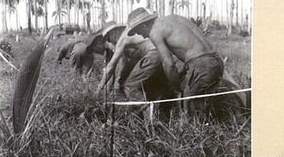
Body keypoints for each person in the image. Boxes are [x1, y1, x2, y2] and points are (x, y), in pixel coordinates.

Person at [99, 7, 245, 119]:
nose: (140, 35)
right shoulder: (174, 18)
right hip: (214, 61)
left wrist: (177, 88)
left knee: (188, 105)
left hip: (201, 66)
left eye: (138, 30)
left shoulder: (155, 32)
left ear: (144, 25)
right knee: (188, 94)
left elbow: (169, 64)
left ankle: (194, 139)